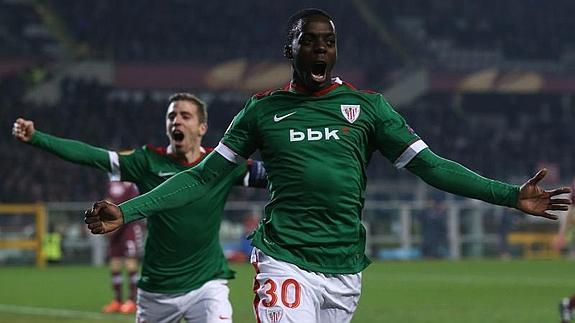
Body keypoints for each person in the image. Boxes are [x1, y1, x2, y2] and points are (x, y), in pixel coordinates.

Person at [83, 9, 571, 323]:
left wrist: (508, 195)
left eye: (329, 42)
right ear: (290, 50)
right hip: (284, 259)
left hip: (344, 268)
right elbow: (203, 175)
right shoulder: (262, 111)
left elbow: (433, 167)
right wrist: (129, 211)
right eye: (310, 41)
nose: (320, 48)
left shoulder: (370, 108)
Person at [12, 92, 267, 322]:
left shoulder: (220, 165)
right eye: (171, 116)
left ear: (201, 127)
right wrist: (37, 138)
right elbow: (93, 156)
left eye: (185, 115)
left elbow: (274, 175)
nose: (176, 121)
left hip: (207, 283)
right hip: (157, 289)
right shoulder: (147, 161)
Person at [101, 180, 143, 314]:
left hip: (129, 226)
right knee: (115, 263)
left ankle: (132, 301)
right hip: (115, 226)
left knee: (131, 263)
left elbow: (135, 204)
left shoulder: (132, 183)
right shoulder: (112, 182)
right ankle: (117, 301)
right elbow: (109, 199)